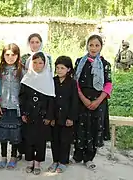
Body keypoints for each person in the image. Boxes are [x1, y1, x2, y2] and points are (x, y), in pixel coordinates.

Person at [71, 35, 112, 170]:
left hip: (98, 103)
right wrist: (83, 98)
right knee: (79, 127)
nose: (93, 48)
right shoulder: (79, 62)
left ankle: (89, 158)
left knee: (94, 128)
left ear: (101, 47)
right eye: (91, 45)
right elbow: (75, 82)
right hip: (81, 100)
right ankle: (77, 156)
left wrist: (97, 101)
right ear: (87, 46)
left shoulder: (105, 65)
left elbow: (108, 85)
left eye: (97, 45)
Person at [19, 51, 55, 175]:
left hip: (42, 116)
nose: (37, 65)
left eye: (40, 63)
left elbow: (51, 100)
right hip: (29, 115)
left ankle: (38, 162)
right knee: (29, 139)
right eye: (34, 62)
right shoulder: (27, 78)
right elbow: (22, 97)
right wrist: (23, 113)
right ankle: (29, 161)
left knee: (40, 140)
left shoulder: (48, 80)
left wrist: (49, 116)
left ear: (45, 64)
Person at [0, 43, 23, 169]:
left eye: (13, 54)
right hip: (3, 105)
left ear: (17, 56)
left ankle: (13, 157)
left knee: (15, 134)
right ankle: (3, 157)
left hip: (16, 106)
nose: (10, 57)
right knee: (3, 133)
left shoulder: (21, 70)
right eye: (7, 54)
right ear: (3, 55)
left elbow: (23, 89)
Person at [48, 56, 78, 173]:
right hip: (55, 117)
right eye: (57, 68)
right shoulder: (53, 81)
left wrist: (71, 118)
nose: (59, 70)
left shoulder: (72, 83)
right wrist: (50, 117)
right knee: (54, 140)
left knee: (65, 140)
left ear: (69, 69)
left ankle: (63, 162)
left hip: (66, 117)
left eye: (62, 68)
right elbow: (50, 100)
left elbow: (74, 102)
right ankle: (55, 161)